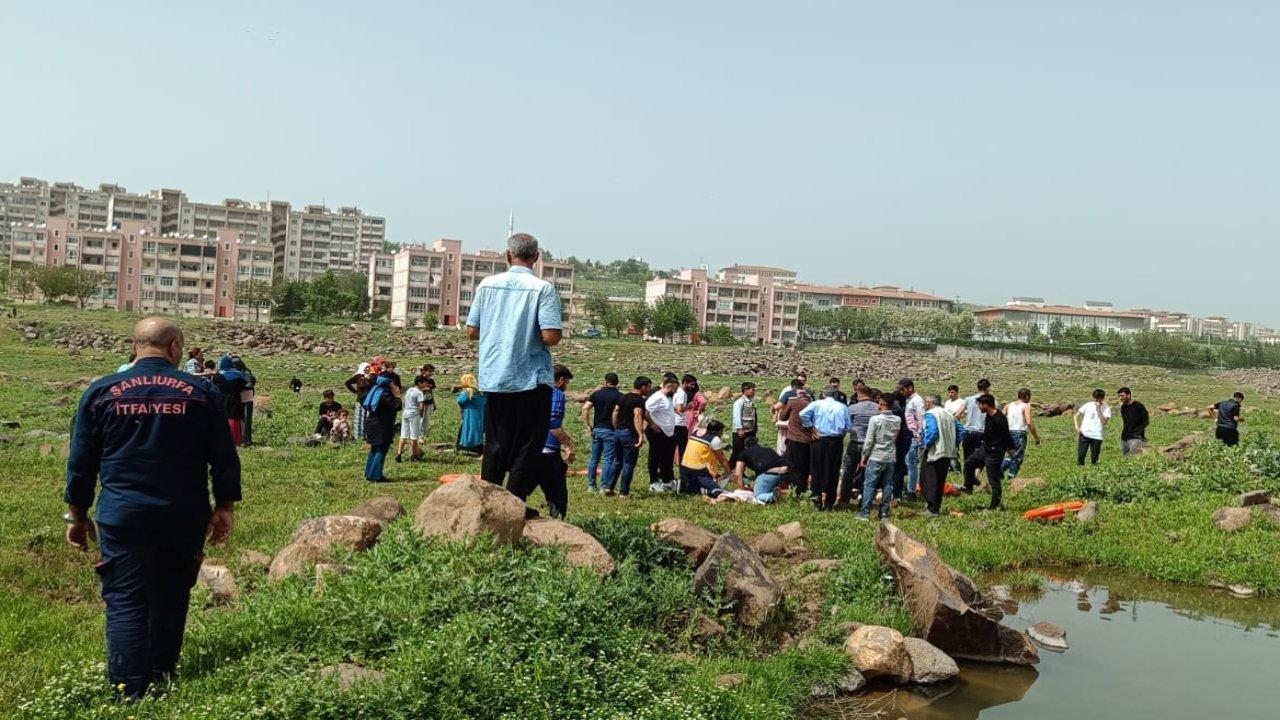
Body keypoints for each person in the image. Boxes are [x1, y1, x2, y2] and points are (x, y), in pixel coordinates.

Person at [65, 317, 240, 699]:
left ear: (134, 346)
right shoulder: (200, 392)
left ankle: (129, 689)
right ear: (175, 347)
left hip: (123, 515)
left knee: (126, 599)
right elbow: (224, 457)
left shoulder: (101, 391)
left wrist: (77, 515)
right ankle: (162, 671)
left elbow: (81, 462)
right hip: (183, 514)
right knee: (173, 594)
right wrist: (224, 506)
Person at [465, 233, 563, 492]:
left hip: (495, 375)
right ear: (537, 257)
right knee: (529, 443)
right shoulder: (543, 289)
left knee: (496, 442)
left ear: (508, 255)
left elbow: (472, 331)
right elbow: (551, 337)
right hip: (531, 378)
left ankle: (489, 498)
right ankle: (515, 500)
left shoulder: (486, 285)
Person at [517, 364, 575, 518]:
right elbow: (553, 422)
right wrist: (568, 446)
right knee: (558, 497)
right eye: (567, 383)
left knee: (519, 491)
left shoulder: (531, 393)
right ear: (561, 380)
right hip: (548, 454)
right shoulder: (556, 394)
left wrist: (565, 436)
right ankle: (557, 526)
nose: (566, 386)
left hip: (528, 450)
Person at [800, 387, 851, 510]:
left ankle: (816, 498)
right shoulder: (842, 406)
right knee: (833, 470)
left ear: (823, 394)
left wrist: (810, 428)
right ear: (835, 395)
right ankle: (829, 502)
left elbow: (802, 414)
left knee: (817, 469)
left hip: (819, 439)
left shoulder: (816, 404)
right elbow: (848, 426)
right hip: (836, 441)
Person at [858, 391, 900, 520]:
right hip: (890, 455)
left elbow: (869, 440)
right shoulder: (897, 419)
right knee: (887, 484)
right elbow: (895, 437)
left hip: (876, 455)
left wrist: (864, 456)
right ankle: (884, 513)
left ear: (881, 404)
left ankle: (865, 513)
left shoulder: (875, 419)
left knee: (870, 484)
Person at [607, 376, 651, 497]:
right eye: (648, 387)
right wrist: (640, 434)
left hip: (618, 432)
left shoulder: (623, 397)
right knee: (628, 463)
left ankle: (609, 488)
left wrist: (616, 426)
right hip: (629, 433)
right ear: (643, 387)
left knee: (617, 461)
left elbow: (615, 412)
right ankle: (624, 492)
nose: (649, 390)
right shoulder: (639, 400)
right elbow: (637, 415)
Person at [921, 394, 964, 516]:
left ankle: (931, 508)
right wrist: (954, 444)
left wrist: (925, 444)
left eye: (926, 403)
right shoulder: (949, 414)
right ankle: (936, 507)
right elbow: (961, 430)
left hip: (934, 451)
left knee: (929, 480)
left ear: (929, 403)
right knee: (940, 480)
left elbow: (933, 431)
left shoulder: (931, 414)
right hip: (948, 452)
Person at [581, 372, 622, 492]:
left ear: (605, 381)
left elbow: (585, 408)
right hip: (610, 429)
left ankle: (591, 485)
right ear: (617, 383)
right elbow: (617, 412)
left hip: (597, 429)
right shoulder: (619, 396)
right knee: (608, 459)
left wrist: (588, 426)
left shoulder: (597, 394)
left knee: (594, 458)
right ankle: (604, 486)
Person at [838, 385, 879, 503]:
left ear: (858, 394)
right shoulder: (877, 408)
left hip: (855, 443)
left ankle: (844, 498)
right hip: (872, 445)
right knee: (870, 473)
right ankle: (866, 499)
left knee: (848, 471)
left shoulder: (853, 408)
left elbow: (846, 426)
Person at [976, 394, 1016, 510]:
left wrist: (1010, 449)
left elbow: (1006, 436)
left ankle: (995, 505)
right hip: (989, 449)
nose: (979, 407)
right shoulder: (989, 415)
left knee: (994, 481)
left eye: (980, 404)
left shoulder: (999, 419)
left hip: (995, 451)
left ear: (986, 405)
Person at [361, 375, 401, 482]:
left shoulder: (375, 392)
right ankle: (376, 476)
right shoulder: (385, 394)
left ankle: (369, 473)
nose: (394, 385)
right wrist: (397, 395)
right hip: (381, 426)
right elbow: (397, 406)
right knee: (381, 449)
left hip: (373, 424)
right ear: (387, 383)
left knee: (374, 449)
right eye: (392, 383)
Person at [778, 380, 814, 498]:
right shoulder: (812, 405)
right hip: (809, 440)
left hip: (794, 438)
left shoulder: (794, 403)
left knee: (793, 466)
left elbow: (782, 417)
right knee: (806, 465)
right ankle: (804, 488)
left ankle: (796, 490)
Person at [731, 435, 792, 504]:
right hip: (786, 471)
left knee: (758, 496)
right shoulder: (768, 449)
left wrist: (742, 489)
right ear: (757, 443)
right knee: (768, 489)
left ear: (745, 447)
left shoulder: (743, 454)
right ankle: (788, 491)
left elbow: (738, 474)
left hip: (769, 473)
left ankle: (779, 494)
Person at [679, 419, 730, 499]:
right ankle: (697, 489)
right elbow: (722, 459)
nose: (722, 434)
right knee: (716, 490)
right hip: (699, 470)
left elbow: (696, 426)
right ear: (717, 432)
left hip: (684, 467)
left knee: (695, 484)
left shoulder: (695, 431)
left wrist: (700, 420)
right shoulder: (714, 439)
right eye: (721, 431)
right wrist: (730, 474)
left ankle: (685, 486)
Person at [645, 376, 680, 492]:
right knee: (655, 457)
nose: (675, 392)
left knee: (667, 458)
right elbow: (646, 411)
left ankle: (666, 481)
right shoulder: (657, 397)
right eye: (674, 389)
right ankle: (653, 482)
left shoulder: (668, 397)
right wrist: (652, 424)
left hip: (669, 433)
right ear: (668, 386)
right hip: (657, 432)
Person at [960, 379, 992, 489]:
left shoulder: (968, 399)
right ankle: (975, 478)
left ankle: (968, 485)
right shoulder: (992, 401)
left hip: (968, 433)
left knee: (967, 459)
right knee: (981, 459)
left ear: (977, 388)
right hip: (982, 434)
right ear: (988, 388)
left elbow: (958, 414)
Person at [1001, 388, 1040, 478]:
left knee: (1010, 455)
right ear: (1027, 397)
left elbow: (1000, 418)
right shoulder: (1026, 406)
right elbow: (1029, 422)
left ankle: (998, 472)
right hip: (1019, 434)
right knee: (1017, 457)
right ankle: (1011, 478)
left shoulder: (1008, 405)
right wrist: (1036, 437)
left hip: (1007, 433)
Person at [898, 379, 925, 498]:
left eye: (902, 389)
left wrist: (919, 434)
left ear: (910, 388)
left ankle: (911, 490)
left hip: (915, 436)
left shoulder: (917, 401)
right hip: (911, 435)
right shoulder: (911, 400)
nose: (901, 392)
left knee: (911, 463)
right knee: (909, 462)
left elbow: (921, 418)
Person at [212, 355, 247, 446]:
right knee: (235, 419)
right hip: (235, 399)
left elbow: (214, 387)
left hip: (222, 399)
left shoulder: (218, 376)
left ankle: (224, 440)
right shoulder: (239, 375)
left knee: (223, 419)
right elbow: (244, 386)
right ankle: (236, 440)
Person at [396, 374, 430, 464]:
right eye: (424, 383)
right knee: (414, 437)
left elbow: (404, 401)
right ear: (419, 383)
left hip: (405, 413)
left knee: (403, 435)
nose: (425, 385)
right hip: (414, 414)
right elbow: (421, 406)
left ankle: (399, 455)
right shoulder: (419, 393)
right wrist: (421, 415)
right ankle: (414, 455)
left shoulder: (409, 390)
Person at [1073, 389, 1111, 465]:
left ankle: (1094, 475)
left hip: (1097, 436)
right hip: (1085, 434)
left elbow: (1104, 422)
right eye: (1095, 398)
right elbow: (1076, 415)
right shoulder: (1088, 405)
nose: (1096, 400)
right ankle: (1080, 473)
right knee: (1081, 456)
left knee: (1095, 459)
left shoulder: (1107, 408)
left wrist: (1099, 410)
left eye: (1098, 398)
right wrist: (1077, 427)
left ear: (1102, 398)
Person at [674, 374, 706, 464]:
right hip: (690, 417)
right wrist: (700, 410)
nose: (692, 386)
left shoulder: (677, 392)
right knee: (688, 439)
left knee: (678, 441)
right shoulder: (694, 394)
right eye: (691, 384)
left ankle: (677, 459)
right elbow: (703, 402)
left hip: (682, 417)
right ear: (685, 383)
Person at [456, 373, 486, 455]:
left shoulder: (468, 392)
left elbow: (460, 400)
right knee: (478, 429)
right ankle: (478, 447)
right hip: (480, 413)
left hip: (470, 413)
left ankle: (467, 446)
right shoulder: (481, 392)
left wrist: (460, 393)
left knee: (469, 429)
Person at [730, 382, 758, 467]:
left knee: (747, 450)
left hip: (749, 430)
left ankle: (740, 468)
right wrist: (739, 428)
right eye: (752, 390)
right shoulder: (739, 402)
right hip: (741, 431)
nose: (754, 392)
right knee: (738, 451)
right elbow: (736, 416)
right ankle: (732, 468)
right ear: (746, 390)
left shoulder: (750, 402)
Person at [344, 362, 375, 440]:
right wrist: (355, 392)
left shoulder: (373, 376)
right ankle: (359, 436)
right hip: (360, 400)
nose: (367, 369)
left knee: (369, 418)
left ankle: (368, 436)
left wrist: (369, 379)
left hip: (370, 401)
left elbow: (376, 384)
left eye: (368, 367)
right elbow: (347, 383)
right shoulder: (358, 376)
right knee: (360, 418)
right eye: (366, 367)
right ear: (362, 368)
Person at [231, 356, 256, 447]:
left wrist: (239, 386)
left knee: (246, 420)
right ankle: (241, 439)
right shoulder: (236, 372)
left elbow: (250, 384)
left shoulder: (246, 373)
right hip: (238, 399)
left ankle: (246, 440)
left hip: (247, 400)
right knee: (239, 420)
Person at [1118, 387, 1149, 455]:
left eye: (1122, 395)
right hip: (1125, 438)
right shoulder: (1123, 407)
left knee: (1135, 458)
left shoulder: (1138, 406)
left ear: (1128, 395)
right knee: (1126, 460)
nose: (1120, 398)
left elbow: (1146, 421)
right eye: (1119, 396)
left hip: (1135, 437)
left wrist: (1137, 431)